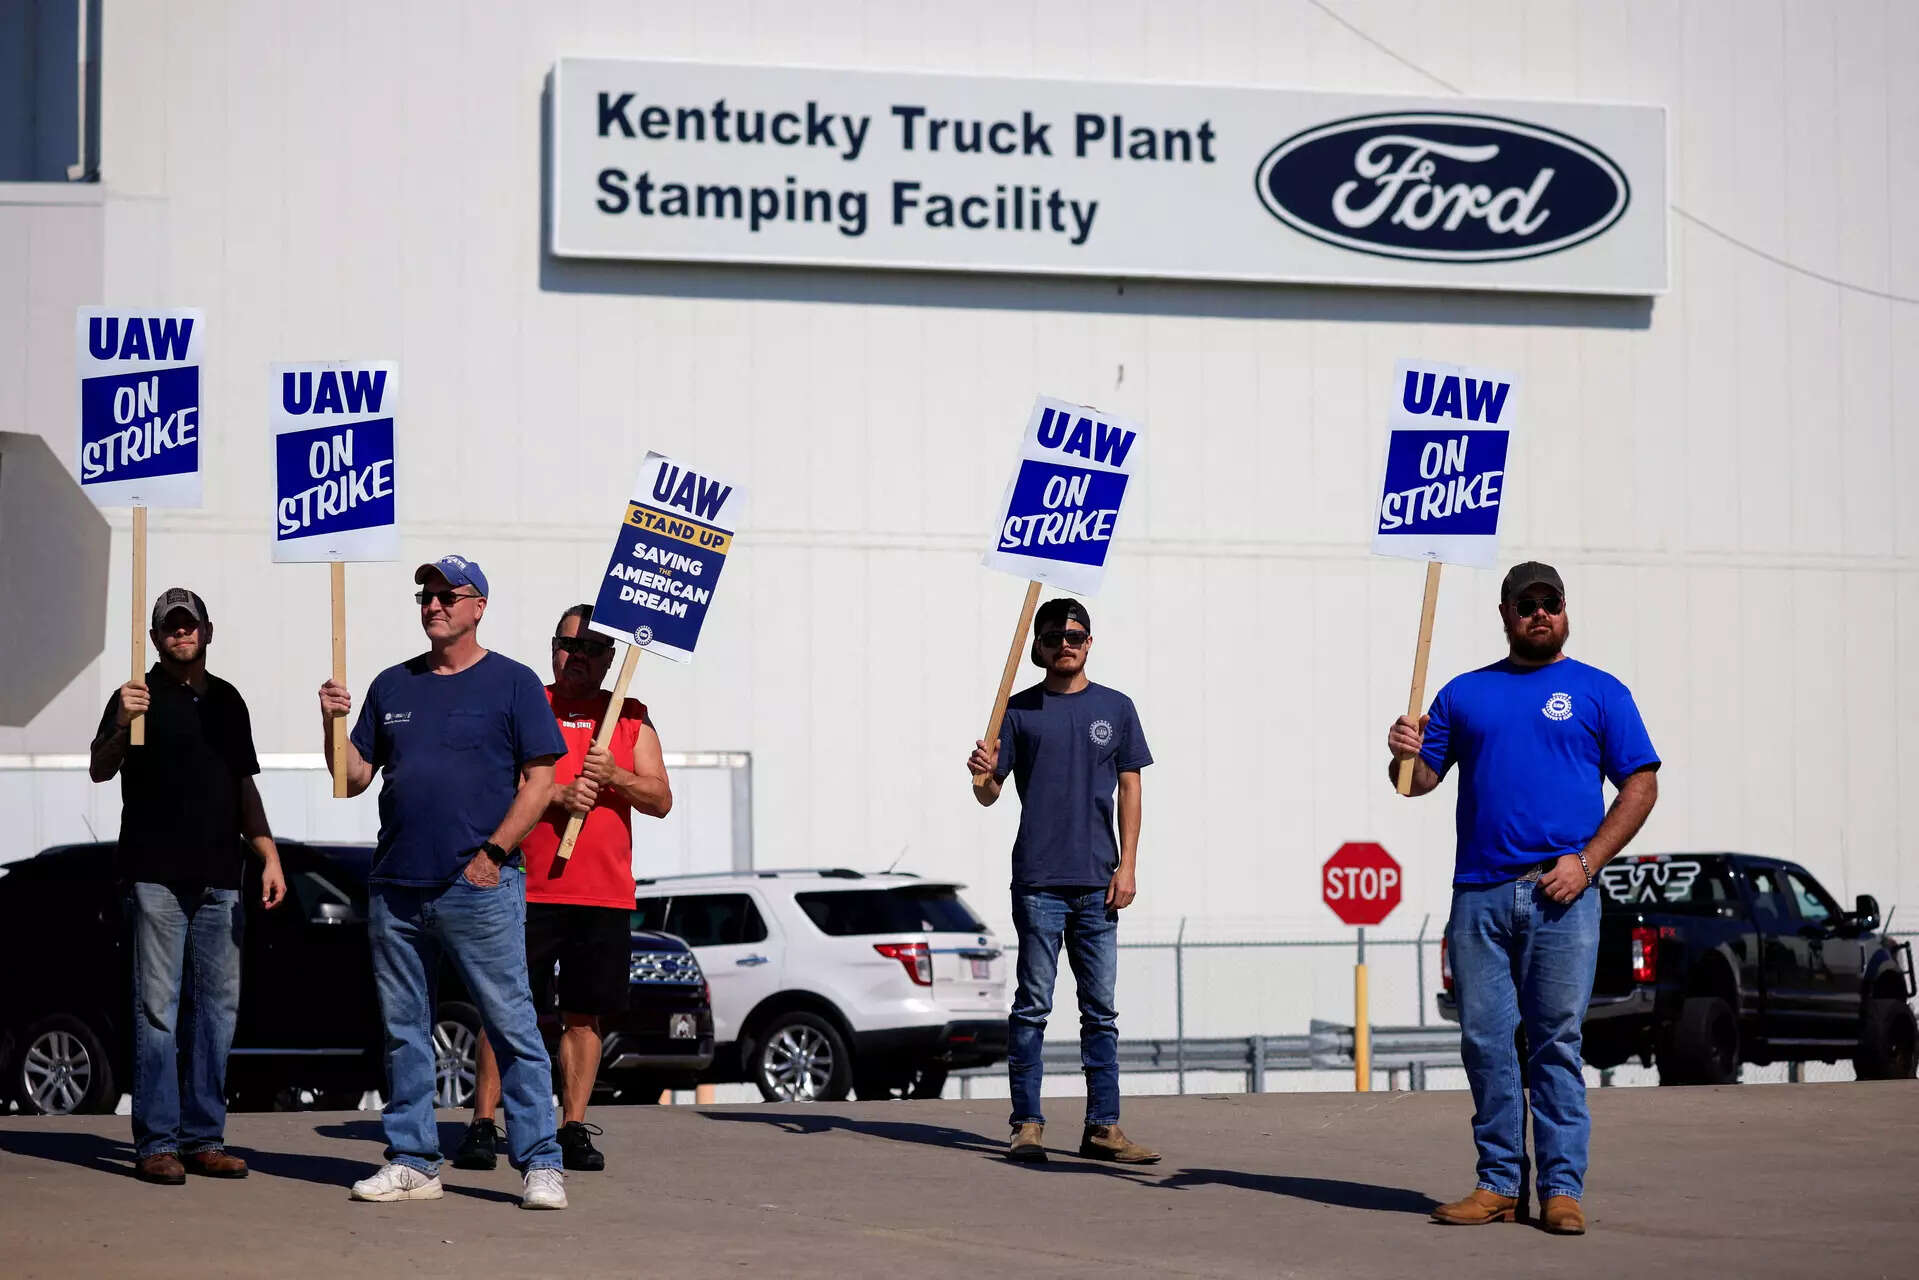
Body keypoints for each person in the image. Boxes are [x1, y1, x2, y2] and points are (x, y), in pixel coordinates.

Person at [1386, 562, 1660, 1236]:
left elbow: (1640, 785)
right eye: (1526, 605)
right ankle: (1498, 1184)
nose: (1540, 614)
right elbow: (1415, 783)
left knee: (1554, 1045)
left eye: (1550, 603)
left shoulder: (1598, 692)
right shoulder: (1464, 694)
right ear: (1504, 613)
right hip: (1478, 894)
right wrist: (1399, 750)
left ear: (1564, 611)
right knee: (1484, 1042)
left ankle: (1562, 1190)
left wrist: (1588, 862)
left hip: (1560, 895)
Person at [317, 555, 570, 1210]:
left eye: (447, 595)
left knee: (509, 1022)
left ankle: (541, 1162)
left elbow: (542, 782)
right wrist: (332, 722)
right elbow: (350, 780)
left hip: (479, 886)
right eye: (425, 594)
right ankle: (412, 1161)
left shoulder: (512, 684)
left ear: (478, 605)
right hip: (397, 885)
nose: (433, 604)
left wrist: (493, 851)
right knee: (404, 1027)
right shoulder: (392, 686)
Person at [454, 604, 672, 1173]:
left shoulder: (629, 715)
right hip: (525, 887)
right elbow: (493, 784)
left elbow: (660, 798)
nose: (577, 658)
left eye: (592, 649)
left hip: (600, 893)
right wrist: (557, 795)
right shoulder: (530, 704)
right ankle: (482, 1122)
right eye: (567, 646)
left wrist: (615, 776)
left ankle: (571, 1125)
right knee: (504, 1011)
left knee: (584, 1015)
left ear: (609, 658)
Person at [89, 587, 286, 1186]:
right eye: (170, 627)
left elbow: (244, 786)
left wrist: (269, 854)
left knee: (217, 1013)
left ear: (207, 630)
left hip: (222, 877)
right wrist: (122, 722)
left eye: (189, 625)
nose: (181, 634)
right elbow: (101, 765)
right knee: (157, 1010)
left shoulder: (227, 702)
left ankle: (204, 1137)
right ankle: (156, 1141)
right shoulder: (135, 696)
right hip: (154, 876)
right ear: (154, 638)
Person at [966, 597, 1158, 1166]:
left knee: (1100, 1011)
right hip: (1039, 882)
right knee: (1033, 1007)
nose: (1065, 643)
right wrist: (980, 775)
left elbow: (1131, 786)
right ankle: (1026, 1124)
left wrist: (1128, 865)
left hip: (1098, 883)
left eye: (1075, 634)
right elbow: (989, 793)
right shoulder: (1017, 711)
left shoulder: (1117, 709)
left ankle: (1103, 1127)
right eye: (1054, 636)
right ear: (1039, 648)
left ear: (1089, 643)